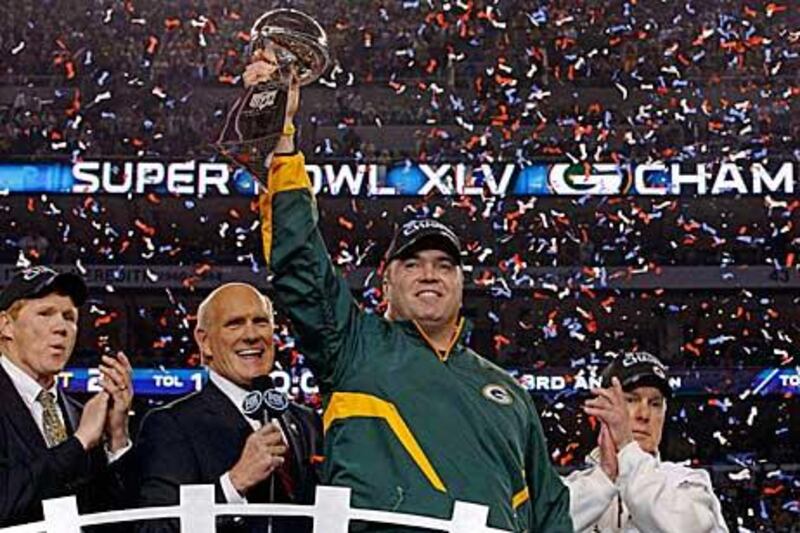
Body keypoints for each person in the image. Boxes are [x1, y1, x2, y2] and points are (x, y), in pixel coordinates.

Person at [246, 52, 573, 532]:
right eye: (413, 263)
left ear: (462, 285)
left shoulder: (510, 394)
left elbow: (548, 511)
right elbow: (300, 260)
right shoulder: (352, 346)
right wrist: (283, 140)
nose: (429, 274)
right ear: (386, 282)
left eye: (444, 265)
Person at [135, 283, 321, 533]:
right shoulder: (170, 425)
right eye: (234, 324)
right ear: (205, 342)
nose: (252, 335)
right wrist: (234, 484)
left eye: (261, 321)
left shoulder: (305, 421)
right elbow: (155, 529)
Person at [0, 266, 133, 528]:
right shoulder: (85, 429)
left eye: (69, 317)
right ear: (6, 326)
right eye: (45, 314)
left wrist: (117, 438)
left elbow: (114, 516)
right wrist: (79, 442)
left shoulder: (80, 413)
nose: (62, 327)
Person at [565, 351, 729, 532]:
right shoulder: (570, 491)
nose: (644, 415)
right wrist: (603, 480)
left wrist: (627, 449)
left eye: (655, 404)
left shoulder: (689, 485)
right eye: (631, 400)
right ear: (603, 407)